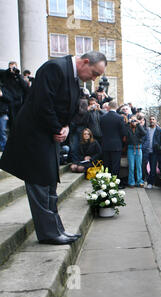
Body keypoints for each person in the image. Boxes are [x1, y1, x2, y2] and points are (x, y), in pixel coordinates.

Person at [0, 51, 107, 245]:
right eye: (94, 73)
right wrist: (57, 127)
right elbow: (43, 103)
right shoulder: (55, 68)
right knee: (40, 183)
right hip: (35, 136)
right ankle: (49, 232)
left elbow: (72, 108)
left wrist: (65, 127)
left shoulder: (73, 77)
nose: (94, 79)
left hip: (50, 136)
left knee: (49, 184)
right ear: (84, 62)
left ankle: (56, 229)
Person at [100, 100, 127, 183]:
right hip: (116, 145)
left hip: (105, 144)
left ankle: (106, 184)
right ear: (117, 107)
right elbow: (123, 132)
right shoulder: (120, 118)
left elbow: (101, 130)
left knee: (106, 165)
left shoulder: (102, 117)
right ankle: (114, 184)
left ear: (108, 107)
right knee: (115, 166)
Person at [0, 61, 28, 133]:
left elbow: (25, 87)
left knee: (17, 120)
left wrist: (18, 75)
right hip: (8, 101)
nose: (13, 69)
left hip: (18, 102)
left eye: (14, 67)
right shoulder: (5, 75)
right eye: (12, 67)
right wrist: (9, 70)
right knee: (10, 122)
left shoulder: (18, 77)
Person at [125, 114, 146, 187]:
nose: (133, 122)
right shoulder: (128, 127)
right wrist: (128, 123)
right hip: (130, 148)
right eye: (132, 120)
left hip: (138, 148)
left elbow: (144, 133)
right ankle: (131, 182)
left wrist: (139, 124)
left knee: (139, 166)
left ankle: (139, 181)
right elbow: (125, 133)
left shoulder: (139, 128)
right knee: (131, 166)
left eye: (135, 120)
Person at [144, 116, 161, 189]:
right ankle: (144, 181)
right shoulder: (147, 129)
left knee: (152, 168)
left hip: (154, 152)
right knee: (144, 167)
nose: (151, 120)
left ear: (156, 121)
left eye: (153, 119)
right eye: (150, 119)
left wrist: (159, 148)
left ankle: (150, 183)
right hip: (146, 151)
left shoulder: (159, 130)